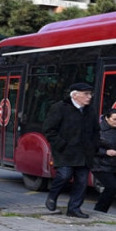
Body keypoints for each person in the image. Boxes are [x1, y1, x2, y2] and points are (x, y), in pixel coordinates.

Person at [43, 82, 100, 218]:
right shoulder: (60, 108)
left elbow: (96, 131)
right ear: (75, 95)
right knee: (64, 175)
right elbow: (49, 130)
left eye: (90, 94)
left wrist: (94, 146)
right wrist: (61, 144)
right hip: (66, 151)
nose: (89, 97)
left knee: (81, 182)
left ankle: (74, 209)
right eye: (86, 94)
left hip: (84, 152)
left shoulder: (90, 110)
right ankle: (52, 196)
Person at [91, 108, 116, 213]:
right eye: (114, 119)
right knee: (111, 187)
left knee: (113, 190)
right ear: (106, 118)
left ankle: (102, 210)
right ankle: (99, 210)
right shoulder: (98, 130)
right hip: (100, 164)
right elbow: (90, 147)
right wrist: (105, 152)